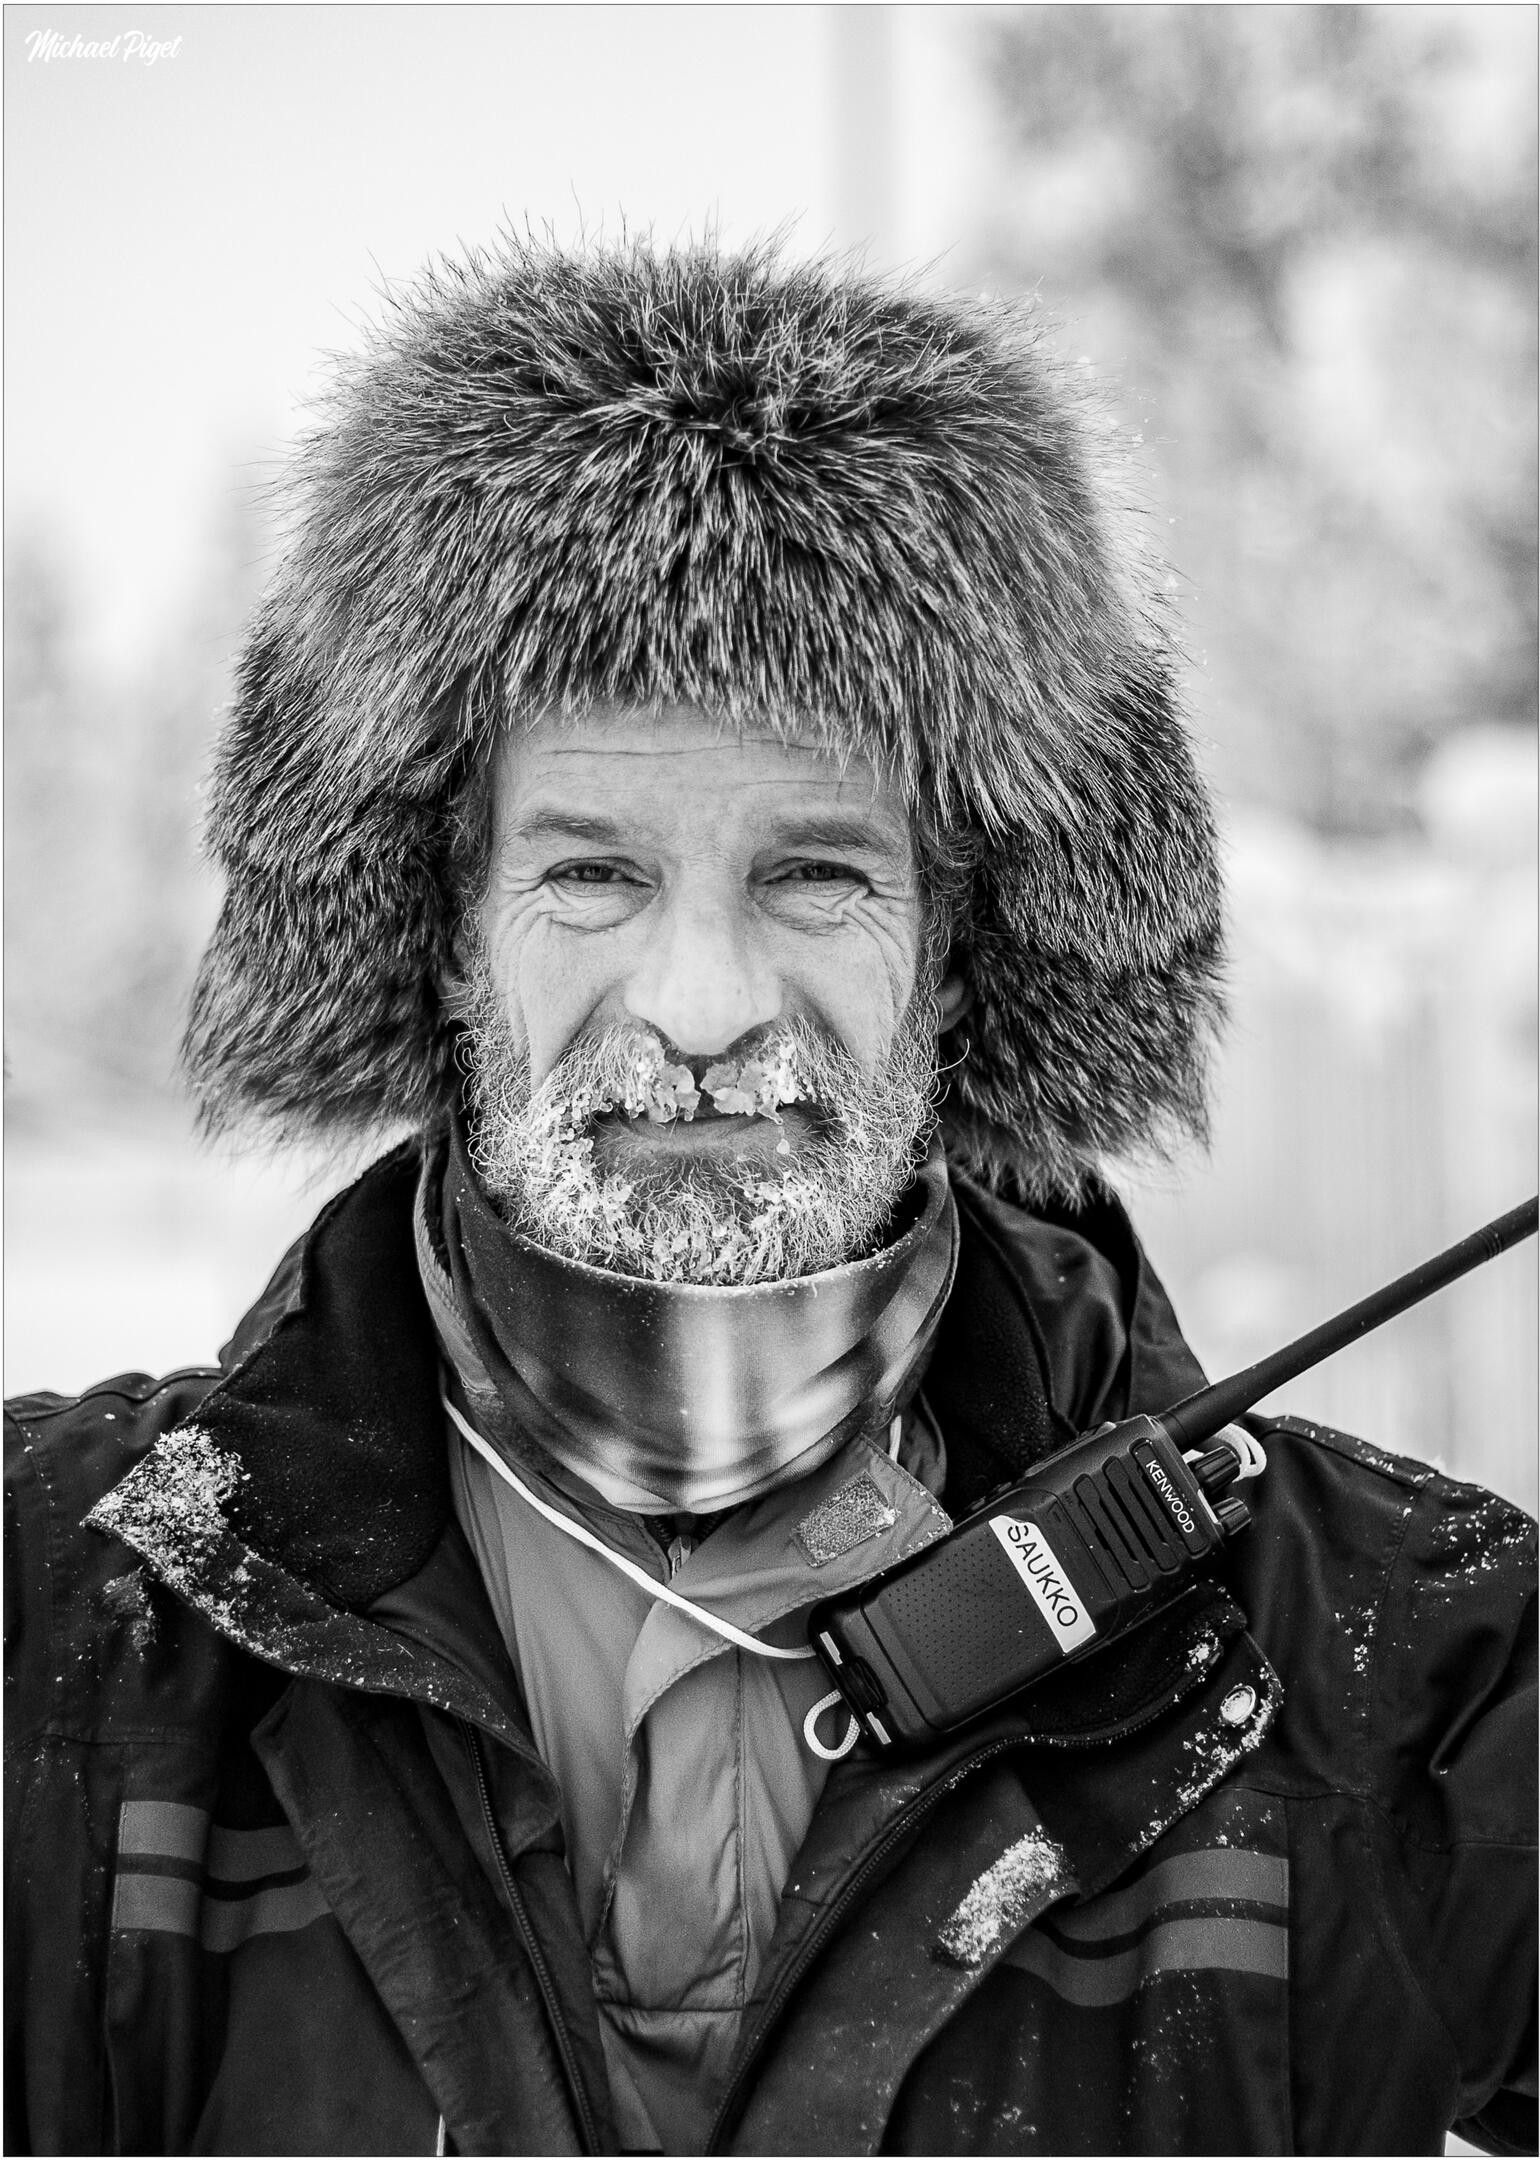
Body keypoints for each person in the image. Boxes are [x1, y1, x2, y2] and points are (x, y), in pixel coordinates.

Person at [5, 237, 1534, 2160]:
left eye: (814, 876)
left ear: (961, 951)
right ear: (447, 945)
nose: (707, 1009)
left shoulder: (1362, 1663)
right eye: (590, 878)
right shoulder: (65, 1630)